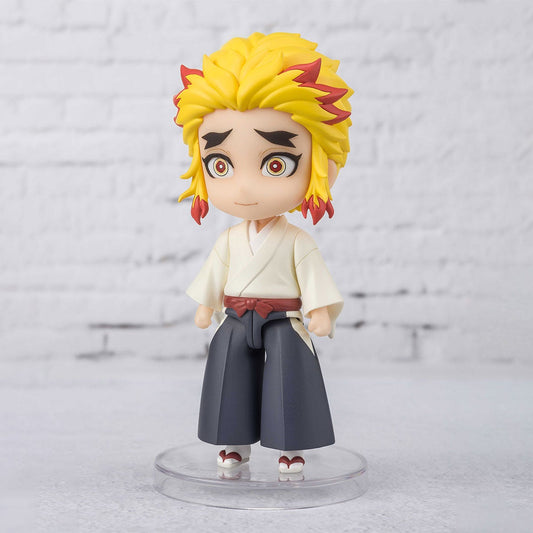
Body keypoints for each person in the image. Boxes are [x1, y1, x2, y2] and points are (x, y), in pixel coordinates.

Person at [173, 32, 353, 473]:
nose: (244, 186)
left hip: (283, 318)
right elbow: (214, 273)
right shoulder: (230, 240)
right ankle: (233, 440)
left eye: (276, 164)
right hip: (236, 315)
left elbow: (313, 278)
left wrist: (319, 311)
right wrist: (205, 305)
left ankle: (292, 445)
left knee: (291, 376)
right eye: (221, 165)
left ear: (323, 165)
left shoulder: (296, 241)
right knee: (227, 372)